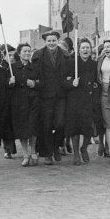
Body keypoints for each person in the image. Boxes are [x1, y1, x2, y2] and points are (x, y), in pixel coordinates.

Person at [31, 31, 72, 165]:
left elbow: (70, 72)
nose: (51, 43)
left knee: (60, 123)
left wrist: (70, 81)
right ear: (45, 41)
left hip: (61, 94)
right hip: (45, 94)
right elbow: (35, 73)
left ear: (58, 40)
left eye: (54, 40)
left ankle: (55, 146)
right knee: (46, 124)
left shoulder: (66, 55)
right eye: (49, 41)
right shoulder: (38, 55)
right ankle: (48, 153)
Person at [64, 38, 98, 165]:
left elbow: (97, 80)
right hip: (75, 99)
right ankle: (76, 154)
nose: (85, 50)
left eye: (87, 48)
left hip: (89, 99)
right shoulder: (72, 63)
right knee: (75, 128)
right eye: (83, 48)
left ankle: (84, 148)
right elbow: (64, 81)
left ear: (91, 50)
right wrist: (71, 83)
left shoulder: (94, 64)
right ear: (79, 50)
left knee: (88, 127)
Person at [11, 43, 40, 167]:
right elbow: (7, 85)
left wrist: (34, 84)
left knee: (32, 126)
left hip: (32, 101)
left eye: (29, 51)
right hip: (18, 101)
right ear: (19, 53)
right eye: (24, 51)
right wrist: (10, 82)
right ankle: (25, 154)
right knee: (22, 128)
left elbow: (41, 82)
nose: (27, 53)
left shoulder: (35, 67)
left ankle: (33, 150)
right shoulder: (12, 68)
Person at [0, 44, 18, 159]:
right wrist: (8, 82)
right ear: (4, 56)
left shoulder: (16, 66)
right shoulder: (2, 67)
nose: (11, 57)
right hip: (5, 100)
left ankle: (12, 147)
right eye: (9, 55)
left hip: (16, 99)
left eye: (13, 55)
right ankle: (8, 148)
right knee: (6, 125)